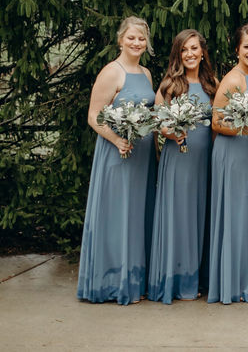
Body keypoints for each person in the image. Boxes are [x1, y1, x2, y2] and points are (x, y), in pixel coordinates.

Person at [76, 17, 157, 304]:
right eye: (131, 38)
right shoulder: (112, 72)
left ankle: (135, 280)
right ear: (120, 39)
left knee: (137, 215)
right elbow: (94, 115)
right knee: (118, 215)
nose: (137, 43)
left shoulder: (146, 74)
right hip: (118, 154)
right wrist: (117, 140)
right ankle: (112, 283)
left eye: (141, 39)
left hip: (143, 157)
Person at [148, 29, 219, 303]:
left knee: (201, 217)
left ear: (203, 52)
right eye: (184, 50)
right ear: (178, 54)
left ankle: (199, 278)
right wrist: (168, 131)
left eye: (194, 49)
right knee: (180, 217)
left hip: (205, 161)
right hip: (178, 159)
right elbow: (157, 122)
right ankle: (177, 281)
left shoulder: (213, 83)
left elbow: (217, 123)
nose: (190, 54)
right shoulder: (170, 85)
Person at [207, 24, 248, 304]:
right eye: (247, 47)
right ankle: (232, 282)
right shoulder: (233, 79)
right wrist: (244, 130)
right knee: (236, 213)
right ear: (237, 49)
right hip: (232, 152)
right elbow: (216, 123)